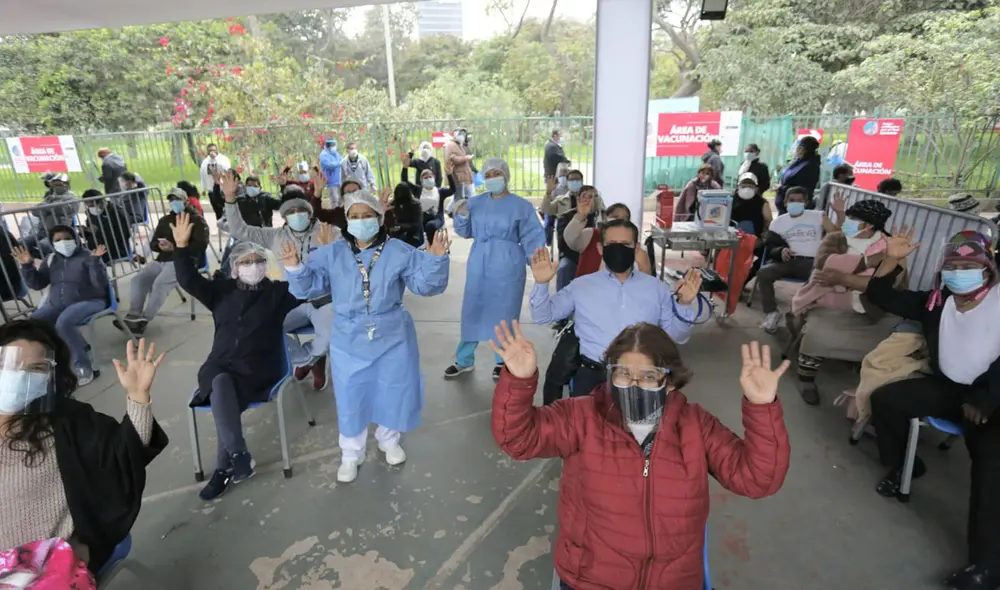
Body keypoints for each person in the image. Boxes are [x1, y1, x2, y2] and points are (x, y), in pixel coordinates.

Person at [490, 320, 791, 590]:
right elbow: (518, 439)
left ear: (670, 382)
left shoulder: (695, 426)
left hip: (675, 581)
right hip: (592, 578)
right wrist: (519, 381)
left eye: (648, 376)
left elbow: (757, 479)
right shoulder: (581, 416)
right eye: (622, 374)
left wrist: (761, 406)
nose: (633, 385)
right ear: (609, 376)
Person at [279, 190, 451, 483]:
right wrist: (295, 267)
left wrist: (435, 260)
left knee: (392, 389)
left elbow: (425, 286)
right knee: (351, 394)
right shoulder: (332, 253)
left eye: (367, 215)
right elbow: (308, 287)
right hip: (349, 337)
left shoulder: (398, 250)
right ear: (346, 220)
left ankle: (389, 440)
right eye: (354, 217)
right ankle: (351, 453)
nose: (361, 221)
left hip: (393, 334)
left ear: (379, 218)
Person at [863, 228, 1000, 589]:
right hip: (948, 389)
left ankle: (986, 566)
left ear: (987, 268)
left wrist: (985, 397)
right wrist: (891, 259)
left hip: (992, 400)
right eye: (953, 264)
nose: (959, 271)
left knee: (990, 473)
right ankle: (905, 467)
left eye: (969, 264)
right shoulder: (937, 301)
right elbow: (879, 296)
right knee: (886, 400)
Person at [0, 321, 168, 573]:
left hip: (49, 569)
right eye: (9, 365)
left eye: (36, 368)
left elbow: (124, 452)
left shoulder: (65, 423)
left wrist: (138, 396)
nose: (21, 376)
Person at [170, 215, 300, 501]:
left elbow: (308, 292)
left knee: (221, 391)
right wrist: (180, 248)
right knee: (220, 382)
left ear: (266, 264)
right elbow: (188, 279)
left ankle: (226, 465)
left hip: (258, 369)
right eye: (245, 262)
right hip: (220, 364)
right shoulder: (220, 292)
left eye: (258, 260)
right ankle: (237, 455)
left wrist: (297, 267)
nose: (253, 266)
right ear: (234, 267)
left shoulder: (278, 293)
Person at [530, 218, 704, 397]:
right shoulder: (581, 286)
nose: (618, 249)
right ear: (600, 248)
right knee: (586, 425)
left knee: (638, 425)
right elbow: (543, 316)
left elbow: (677, 336)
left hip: (640, 378)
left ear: (635, 248)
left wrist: (683, 304)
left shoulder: (656, 288)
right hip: (592, 376)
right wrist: (541, 284)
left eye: (625, 244)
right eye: (612, 244)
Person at [220, 172, 338, 389]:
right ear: (284, 216)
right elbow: (239, 230)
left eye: (301, 210)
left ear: (309, 212)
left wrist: (330, 249)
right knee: (258, 326)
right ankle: (307, 359)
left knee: (334, 335)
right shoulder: (274, 236)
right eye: (291, 211)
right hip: (289, 300)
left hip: (324, 301)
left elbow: (348, 262)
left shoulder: (328, 232)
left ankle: (317, 358)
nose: (296, 214)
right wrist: (230, 199)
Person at [445, 158, 546, 382]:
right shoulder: (476, 202)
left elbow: (532, 237)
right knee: (473, 309)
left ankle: (503, 360)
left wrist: (538, 262)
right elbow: (465, 231)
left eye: (496, 174)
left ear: (506, 175)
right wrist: (461, 215)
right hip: (479, 261)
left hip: (508, 264)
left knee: (504, 313)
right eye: (488, 175)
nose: (492, 179)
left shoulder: (521, 206)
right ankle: (464, 359)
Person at [793, 199, 897, 404]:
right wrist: (865, 264)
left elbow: (892, 279)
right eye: (848, 217)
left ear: (870, 225)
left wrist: (847, 277)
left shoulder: (889, 245)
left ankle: (868, 377)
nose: (848, 222)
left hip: (869, 305)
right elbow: (823, 266)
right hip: (829, 300)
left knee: (891, 331)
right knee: (817, 333)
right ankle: (807, 379)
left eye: (854, 219)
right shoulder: (836, 239)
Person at [13, 227, 108, 385]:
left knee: (64, 322)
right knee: (32, 323)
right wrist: (28, 266)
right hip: (58, 304)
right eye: (57, 240)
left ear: (75, 239)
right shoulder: (51, 260)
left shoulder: (88, 257)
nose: (63, 242)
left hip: (90, 301)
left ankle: (85, 368)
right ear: (52, 243)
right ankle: (42, 362)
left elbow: (100, 284)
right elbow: (37, 284)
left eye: (67, 238)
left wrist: (95, 262)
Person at [757, 187, 845, 333]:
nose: (795, 203)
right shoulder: (778, 223)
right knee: (764, 273)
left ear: (806, 202)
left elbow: (837, 234)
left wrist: (840, 213)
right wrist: (781, 251)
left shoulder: (818, 216)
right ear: (785, 202)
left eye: (800, 200)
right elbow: (771, 246)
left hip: (813, 262)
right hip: (789, 261)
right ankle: (772, 313)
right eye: (792, 200)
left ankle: (802, 317)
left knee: (820, 280)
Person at [124, 190, 209, 334]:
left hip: (184, 261)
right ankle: (134, 315)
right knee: (138, 279)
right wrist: (160, 245)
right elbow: (153, 243)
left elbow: (201, 245)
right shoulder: (165, 220)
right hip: (162, 259)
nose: (174, 203)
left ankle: (144, 319)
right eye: (171, 200)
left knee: (160, 283)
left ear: (185, 201)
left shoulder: (196, 220)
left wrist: (176, 247)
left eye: (177, 200)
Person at [563, 201, 653, 278]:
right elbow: (570, 238)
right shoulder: (591, 235)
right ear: (606, 218)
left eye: (625, 218)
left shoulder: (637, 251)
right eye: (615, 216)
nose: (620, 221)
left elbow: (646, 283)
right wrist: (580, 216)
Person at [400, 152, 455, 244]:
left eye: (430, 176)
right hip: (421, 218)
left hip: (436, 218)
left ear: (434, 178)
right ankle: (420, 247)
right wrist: (405, 167)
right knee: (414, 225)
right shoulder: (418, 190)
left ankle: (432, 246)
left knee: (430, 225)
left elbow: (453, 190)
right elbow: (405, 181)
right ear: (421, 181)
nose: (428, 178)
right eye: (425, 177)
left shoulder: (440, 191)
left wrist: (449, 174)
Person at [732, 172, 773, 285]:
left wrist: (763, 237)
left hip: (755, 240)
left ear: (756, 188)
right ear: (738, 187)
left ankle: (743, 281)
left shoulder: (762, 203)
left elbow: (769, 221)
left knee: (766, 256)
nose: (747, 189)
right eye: (744, 186)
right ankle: (729, 282)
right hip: (731, 239)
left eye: (750, 186)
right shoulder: (730, 200)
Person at [81, 190, 131, 263]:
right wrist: (85, 231)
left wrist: (99, 231)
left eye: (92, 205)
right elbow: (90, 234)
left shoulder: (117, 212)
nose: (90, 207)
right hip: (95, 245)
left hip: (114, 248)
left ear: (100, 201)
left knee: (87, 260)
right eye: (88, 205)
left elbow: (124, 234)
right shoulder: (90, 213)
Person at [775, 136, 821, 215]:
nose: (797, 150)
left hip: (796, 207)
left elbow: (804, 188)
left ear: (804, 149)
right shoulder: (798, 161)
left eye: (799, 147)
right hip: (785, 205)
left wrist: (782, 188)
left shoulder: (810, 165)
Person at [445, 127, 475, 201]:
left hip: (465, 175)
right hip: (457, 176)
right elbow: (453, 159)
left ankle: (451, 210)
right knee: (458, 197)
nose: (462, 136)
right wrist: (466, 158)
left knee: (469, 195)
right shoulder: (451, 145)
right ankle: (450, 211)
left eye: (463, 135)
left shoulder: (460, 145)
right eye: (460, 134)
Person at [319, 138, 343, 207]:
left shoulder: (336, 154)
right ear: (327, 145)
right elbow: (328, 165)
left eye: (334, 145)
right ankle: (334, 215)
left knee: (341, 200)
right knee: (334, 200)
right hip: (331, 181)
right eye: (331, 145)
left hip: (339, 180)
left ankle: (341, 215)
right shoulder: (323, 155)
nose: (333, 147)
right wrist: (339, 163)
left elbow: (342, 160)